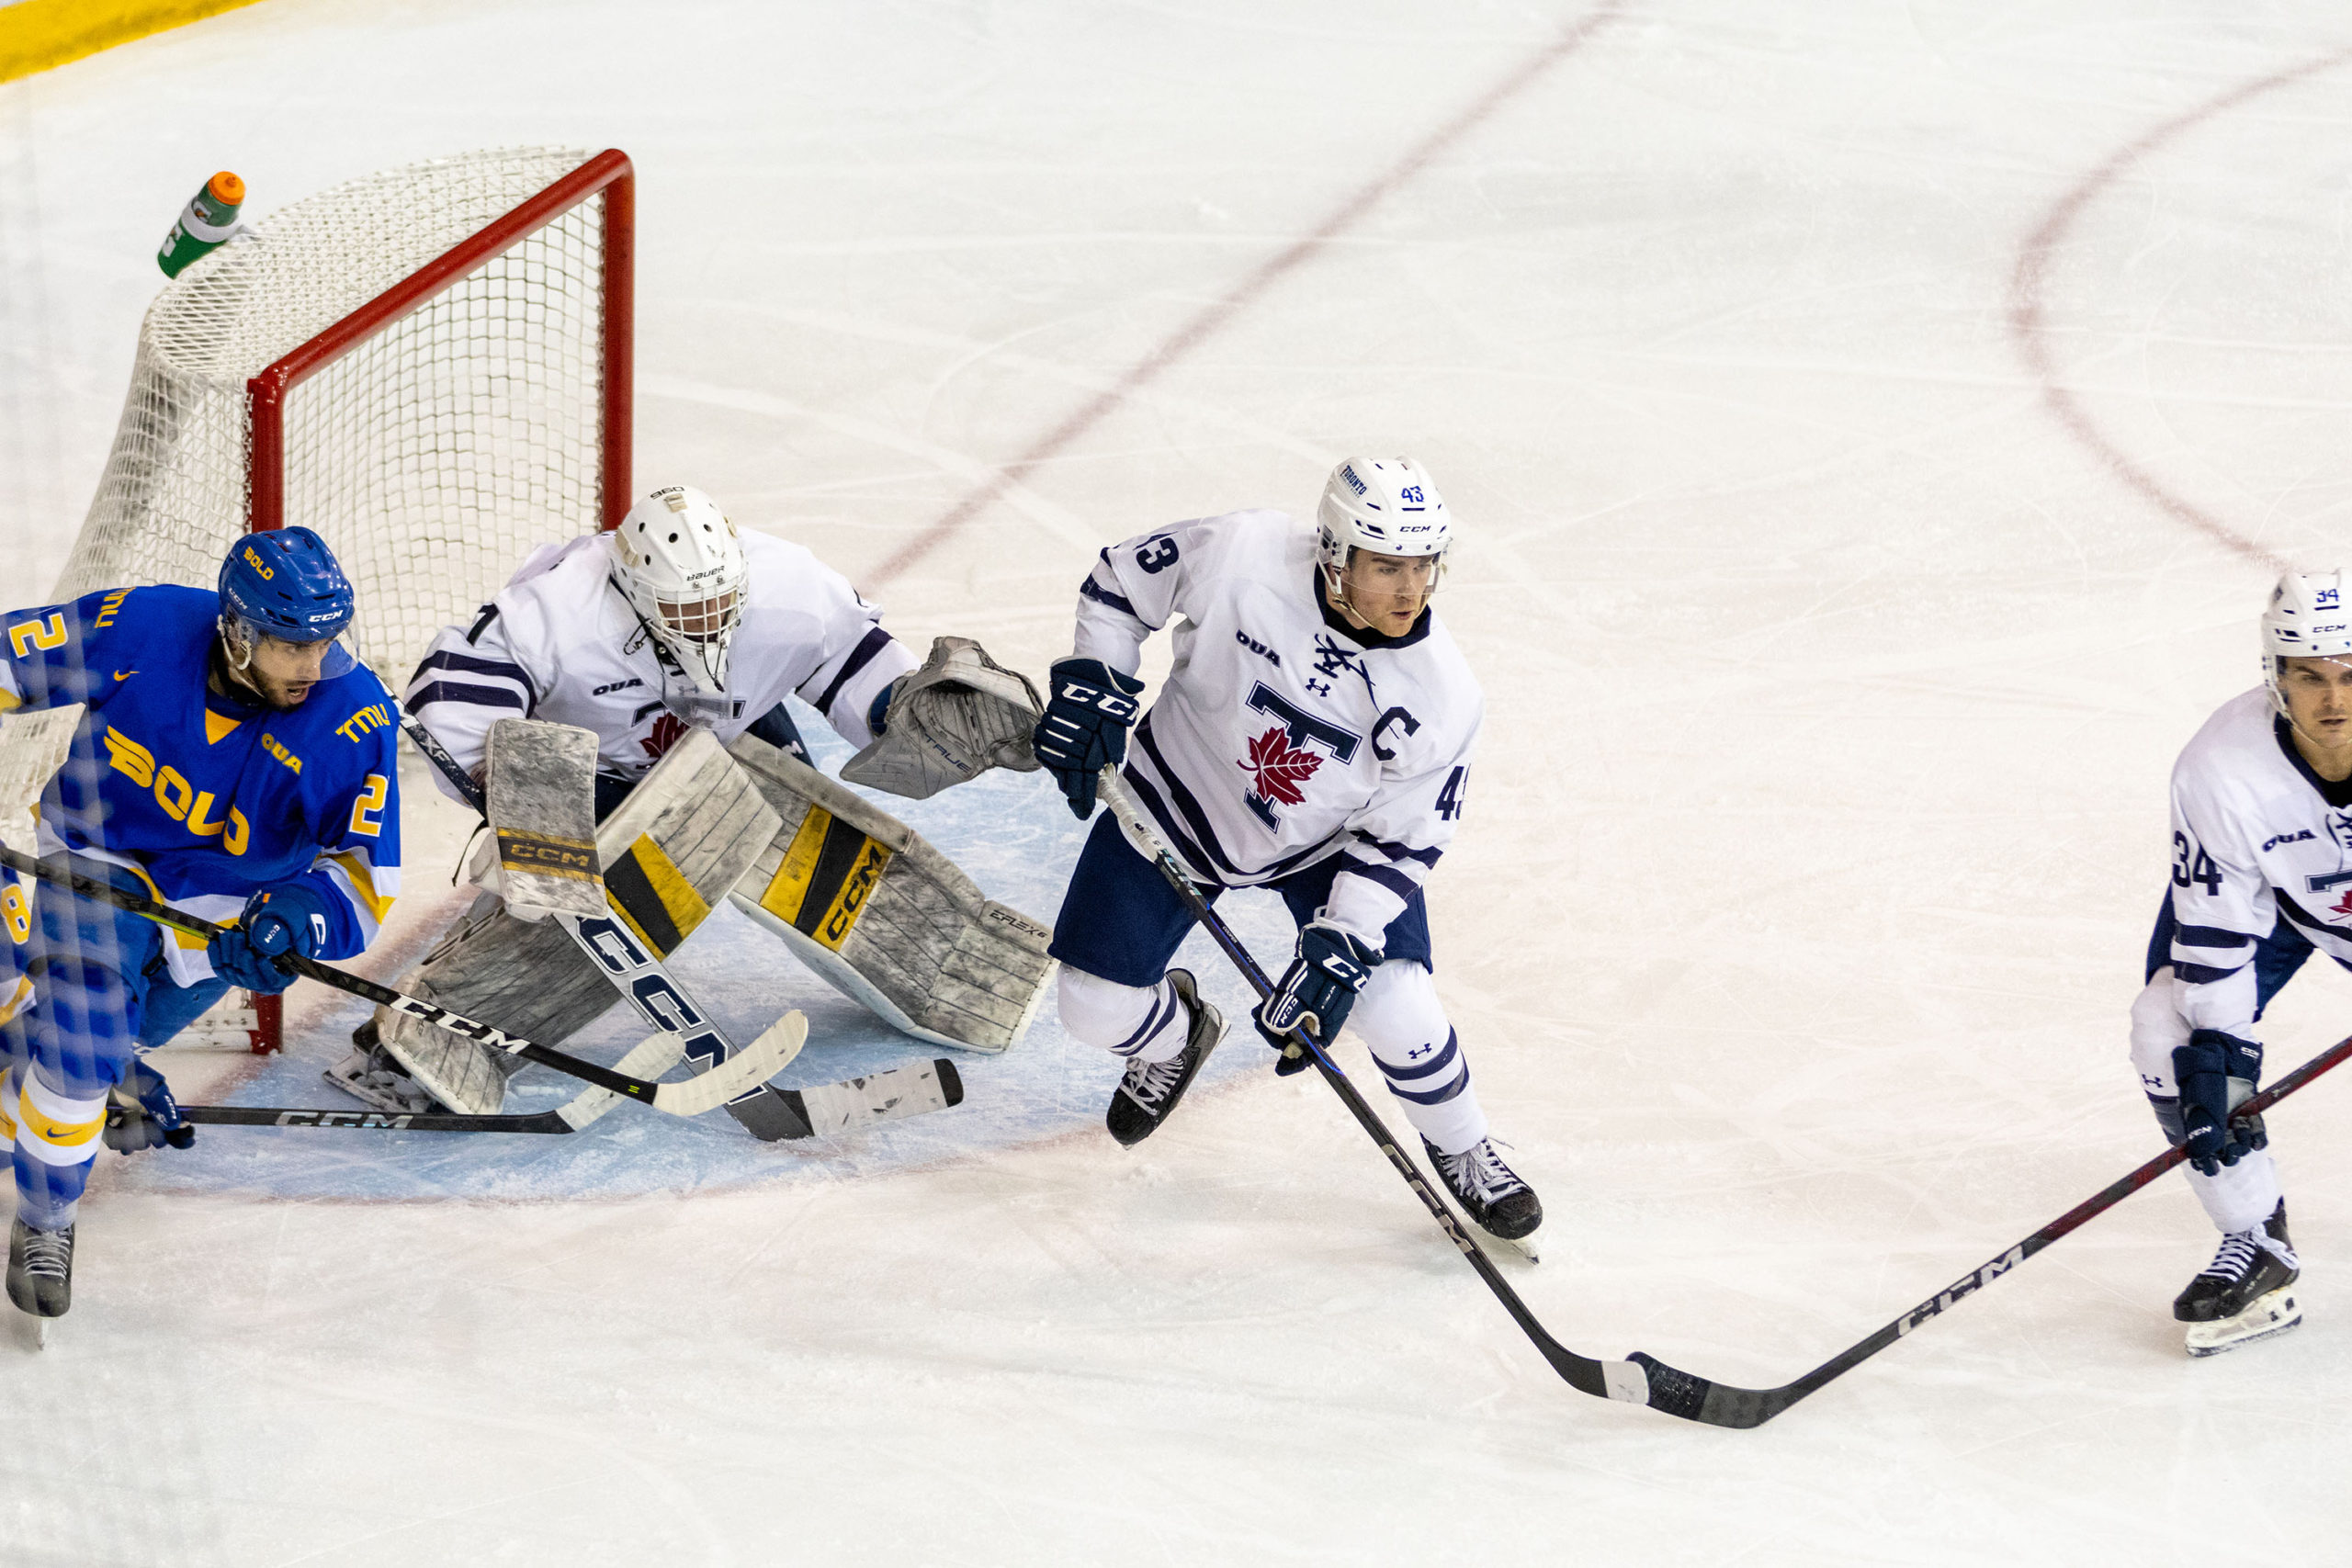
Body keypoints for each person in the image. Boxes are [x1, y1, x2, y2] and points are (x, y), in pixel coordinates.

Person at [332, 483, 1045, 1114]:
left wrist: (910, 711)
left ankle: (966, 974)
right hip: (598, 774)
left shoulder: (790, 583)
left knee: (820, 859)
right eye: (686, 608)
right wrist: (524, 793)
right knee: (615, 906)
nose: (708, 620)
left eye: (720, 601)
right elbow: (448, 696)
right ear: (635, 593)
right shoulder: (563, 605)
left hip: (731, 736)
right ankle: (429, 1038)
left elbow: (855, 665)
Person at [1028, 457, 1540, 1245]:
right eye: (1386, 566)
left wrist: (1343, 939)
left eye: (1422, 565)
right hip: (1174, 801)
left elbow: (1405, 837)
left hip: (1323, 846)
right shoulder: (1243, 551)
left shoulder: (1443, 695)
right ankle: (1178, 1034)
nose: (1410, 590)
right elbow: (1122, 584)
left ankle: (1465, 1144)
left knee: (1398, 1006)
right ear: (1335, 554)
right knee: (1092, 1009)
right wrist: (1099, 673)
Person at [0, 527, 401, 1321]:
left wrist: (299, 920)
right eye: (292, 645)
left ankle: (64, 1052)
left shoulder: (351, 717)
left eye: (325, 641)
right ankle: (46, 1217)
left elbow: (363, 877)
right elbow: (11, 661)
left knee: (95, 1044)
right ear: (239, 630)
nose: (313, 665)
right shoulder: (142, 628)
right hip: (97, 857)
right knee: (84, 1033)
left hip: (224, 915)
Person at [2128, 568, 2352, 1356]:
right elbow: (2216, 935)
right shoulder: (2222, 768)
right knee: (2171, 1033)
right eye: (2310, 676)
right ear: (2275, 675)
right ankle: (2256, 1239)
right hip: (2282, 905)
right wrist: (2226, 1067)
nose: (2335, 699)